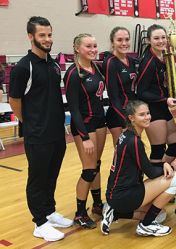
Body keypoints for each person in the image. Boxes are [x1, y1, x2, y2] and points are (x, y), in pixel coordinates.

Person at [9, 16, 72, 242]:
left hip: (56, 132)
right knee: (37, 178)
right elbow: (14, 100)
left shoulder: (53, 64)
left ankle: (49, 211)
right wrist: (30, 122)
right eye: (42, 35)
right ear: (31, 37)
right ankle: (39, 223)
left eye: (49, 35)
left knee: (51, 175)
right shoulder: (23, 68)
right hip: (37, 135)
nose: (47, 39)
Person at [101, 100, 176, 236]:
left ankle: (115, 212)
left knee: (160, 215)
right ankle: (146, 225)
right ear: (131, 118)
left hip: (116, 192)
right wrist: (169, 167)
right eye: (142, 115)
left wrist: (164, 164)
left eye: (148, 113)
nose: (147, 117)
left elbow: (145, 165)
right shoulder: (133, 141)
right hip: (124, 195)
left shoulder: (126, 135)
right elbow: (150, 172)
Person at [64, 33, 107, 228]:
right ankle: (80, 213)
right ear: (77, 48)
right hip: (85, 126)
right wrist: (84, 137)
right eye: (88, 46)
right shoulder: (73, 73)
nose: (93, 49)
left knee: (96, 165)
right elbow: (73, 109)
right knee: (88, 170)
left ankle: (97, 204)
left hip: (100, 123)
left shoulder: (96, 67)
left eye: (95, 45)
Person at [136, 24, 176, 165]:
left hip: (162, 106)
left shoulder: (163, 56)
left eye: (163, 37)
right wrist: (165, 99)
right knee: (158, 150)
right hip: (153, 109)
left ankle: (162, 173)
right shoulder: (148, 62)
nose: (161, 41)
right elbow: (141, 92)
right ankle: (153, 181)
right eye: (156, 38)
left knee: (175, 145)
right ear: (149, 40)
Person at [103, 26, 138, 145]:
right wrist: (125, 121)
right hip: (119, 115)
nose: (124, 43)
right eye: (119, 40)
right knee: (121, 152)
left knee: (133, 150)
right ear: (112, 42)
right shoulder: (110, 62)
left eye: (127, 39)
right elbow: (113, 97)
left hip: (133, 112)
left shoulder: (132, 60)